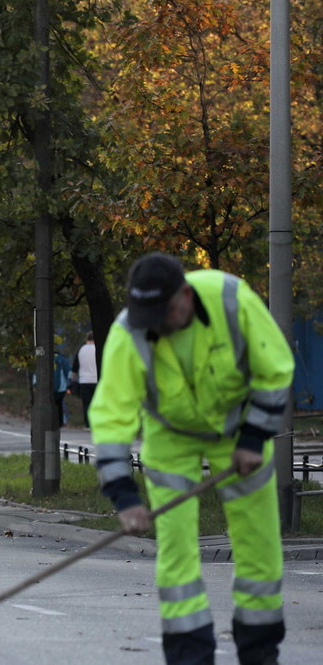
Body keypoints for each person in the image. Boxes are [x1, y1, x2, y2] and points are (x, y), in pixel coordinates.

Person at [90, 253, 293, 665]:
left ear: (186, 294)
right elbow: (111, 419)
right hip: (171, 437)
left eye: (165, 312)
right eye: (149, 315)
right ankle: (188, 654)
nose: (158, 325)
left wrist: (254, 438)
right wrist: (124, 497)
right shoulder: (129, 331)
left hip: (239, 431)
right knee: (176, 549)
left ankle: (260, 651)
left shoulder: (230, 298)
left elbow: (275, 369)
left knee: (259, 544)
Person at [72, 331, 98, 427]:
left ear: (86, 339)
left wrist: (72, 381)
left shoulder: (81, 350)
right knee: (97, 403)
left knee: (87, 404)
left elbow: (75, 368)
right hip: (96, 380)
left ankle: (88, 424)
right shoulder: (98, 349)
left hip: (84, 381)